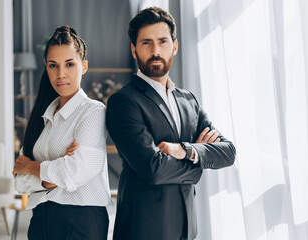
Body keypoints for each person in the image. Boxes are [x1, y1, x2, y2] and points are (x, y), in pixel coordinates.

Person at [106, 7, 236, 240]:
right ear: (134, 50)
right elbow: (153, 170)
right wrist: (198, 165)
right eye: (146, 43)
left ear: (175, 46)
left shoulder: (189, 100)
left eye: (163, 41)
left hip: (186, 229)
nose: (156, 51)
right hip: (142, 230)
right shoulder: (123, 101)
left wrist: (185, 150)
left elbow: (227, 153)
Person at [13, 25, 112, 240]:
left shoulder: (93, 111)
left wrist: (32, 167)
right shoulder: (42, 117)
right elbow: (20, 181)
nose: (61, 74)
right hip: (41, 219)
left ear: (84, 66)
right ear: (46, 68)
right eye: (53, 65)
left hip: (80, 221)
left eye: (69, 64)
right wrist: (52, 174)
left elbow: (73, 172)